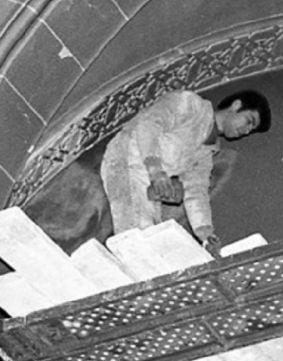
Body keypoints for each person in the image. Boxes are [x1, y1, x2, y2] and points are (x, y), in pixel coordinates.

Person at [99, 89, 271, 251]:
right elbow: (149, 124)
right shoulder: (191, 105)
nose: (246, 131)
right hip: (126, 161)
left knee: (151, 239)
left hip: (146, 184)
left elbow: (196, 192)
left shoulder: (206, 152)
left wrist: (205, 234)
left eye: (250, 130)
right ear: (236, 105)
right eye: (249, 121)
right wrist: (155, 170)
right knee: (138, 236)